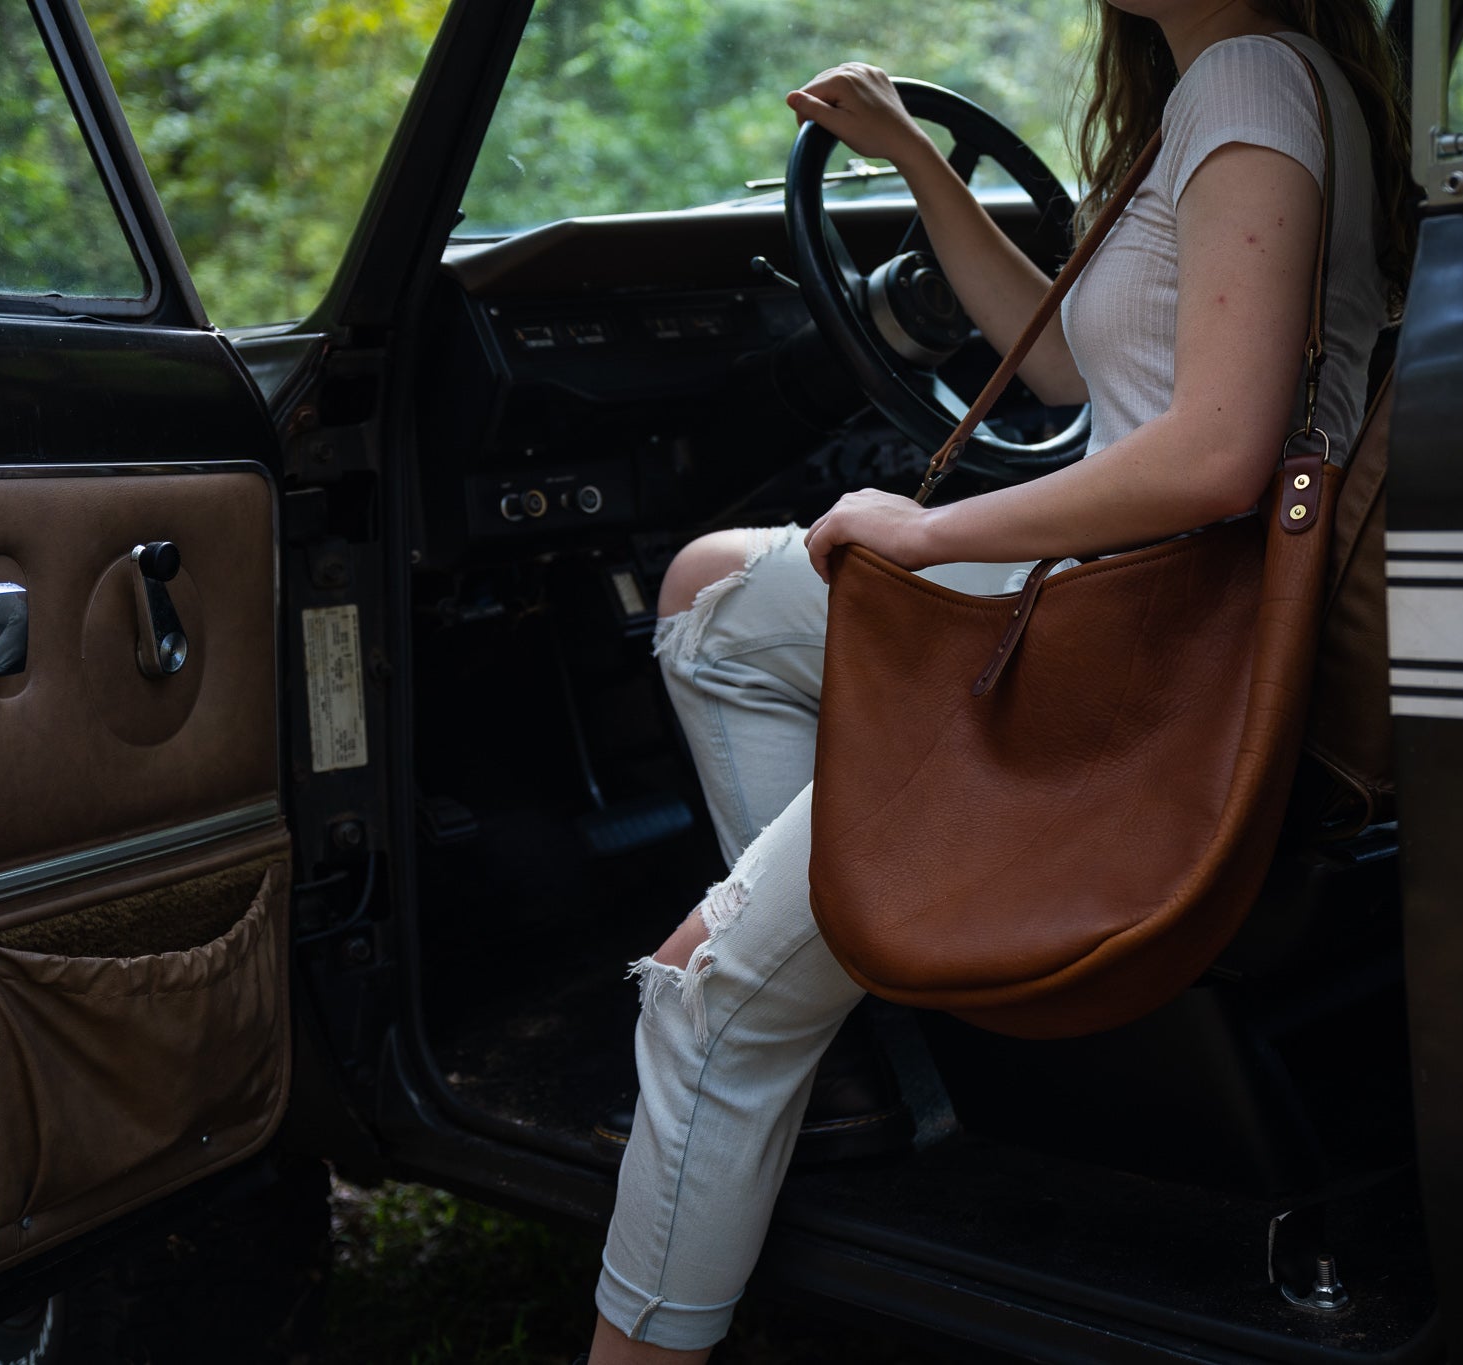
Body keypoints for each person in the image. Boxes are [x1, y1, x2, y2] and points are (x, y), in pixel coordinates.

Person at [583, 2, 1414, 1359]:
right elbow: (1060, 364)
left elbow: (1216, 452)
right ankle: (833, 1009)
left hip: (1144, 633)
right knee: (711, 600)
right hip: (1115, 589)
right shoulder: (1216, 94)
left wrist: (926, 527)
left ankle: (767, 1019)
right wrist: (923, 165)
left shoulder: (1252, 83)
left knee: (705, 993)